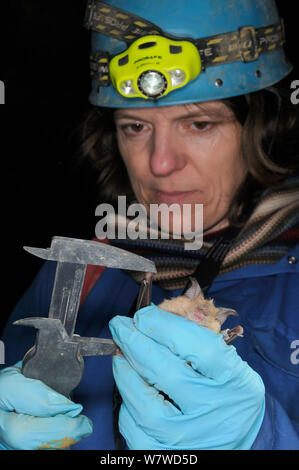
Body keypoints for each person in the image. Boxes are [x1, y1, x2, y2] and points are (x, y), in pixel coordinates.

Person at [1, 0, 299, 451]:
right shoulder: (80, 273)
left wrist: (263, 439)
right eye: (136, 126)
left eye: (199, 124)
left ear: (260, 129)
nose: (160, 163)